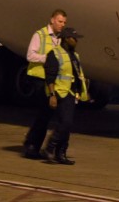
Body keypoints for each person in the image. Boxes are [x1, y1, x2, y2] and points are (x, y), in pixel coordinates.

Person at [22, 9, 67, 159]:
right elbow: (30, 55)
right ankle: (32, 146)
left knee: (45, 114)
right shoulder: (40, 35)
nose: (62, 25)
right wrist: (47, 59)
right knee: (44, 113)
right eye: (60, 21)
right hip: (38, 79)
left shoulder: (60, 39)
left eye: (64, 22)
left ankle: (31, 142)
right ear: (52, 20)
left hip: (50, 81)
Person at [40, 26, 89, 165]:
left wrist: (81, 92)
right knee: (65, 123)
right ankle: (50, 146)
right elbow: (50, 76)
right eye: (74, 38)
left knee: (67, 125)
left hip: (71, 93)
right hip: (60, 93)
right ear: (66, 39)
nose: (76, 41)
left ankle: (61, 154)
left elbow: (77, 75)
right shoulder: (54, 54)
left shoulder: (75, 55)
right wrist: (52, 95)